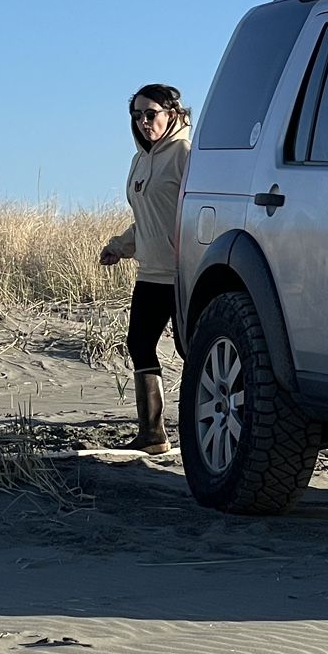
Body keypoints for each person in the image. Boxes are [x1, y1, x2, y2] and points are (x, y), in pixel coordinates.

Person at [99, 83, 192, 454]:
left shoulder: (186, 154)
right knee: (139, 344)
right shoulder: (139, 161)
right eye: (136, 115)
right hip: (150, 273)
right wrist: (119, 247)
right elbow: (148, 220)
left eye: (150, 113)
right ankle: (152, 434)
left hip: (185, 275)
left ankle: (205, 431)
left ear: (172, 113)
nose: (142, 122)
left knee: (192, 351)